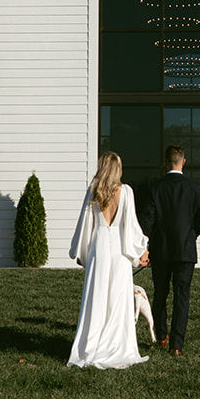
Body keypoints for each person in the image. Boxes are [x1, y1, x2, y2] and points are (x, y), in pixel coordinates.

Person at [67, 150, 151, 369]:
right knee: (117, 298)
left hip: (99, 247)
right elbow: (130, 225)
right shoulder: (126, 192)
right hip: (119, 250)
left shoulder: (93, 191)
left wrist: (81, 252)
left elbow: (85, 225)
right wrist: (141, 248)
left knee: (97, 296)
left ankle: (93, 346)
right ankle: (115, 345)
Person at [138, 145, 200, 356]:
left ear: (165, 162)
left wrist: (146, 246)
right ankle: (176, 345)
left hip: (160, 250)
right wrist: (190, 235)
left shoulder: (155, 188)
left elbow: (146, 222)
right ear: (183, 162)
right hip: (185, 251)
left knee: (160, 294)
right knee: (182, 297)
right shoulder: (195, 188)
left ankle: (161, 336)